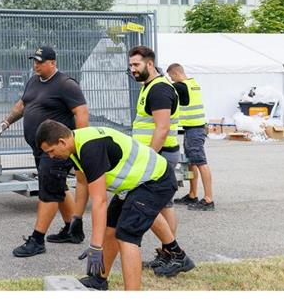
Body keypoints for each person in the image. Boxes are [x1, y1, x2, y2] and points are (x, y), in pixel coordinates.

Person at [36, 120, 195, 290]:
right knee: (110, 229)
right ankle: (99, 280)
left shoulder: (90, 148)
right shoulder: (75, 145)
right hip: (134, 185)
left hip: (156, 180)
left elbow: (99, 201)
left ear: (61, 141)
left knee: (126, 234)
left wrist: (95, 247)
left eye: (51, 151)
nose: (51, 156)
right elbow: (82, 183)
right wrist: (77, 217)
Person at [0, 46, 90, 257]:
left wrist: (81, 144)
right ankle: (72, 230)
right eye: (34, 60)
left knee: (48, 192)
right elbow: (22, 104)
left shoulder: (66, 84)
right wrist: (6, 122)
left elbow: (81, 113)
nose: (35, 64)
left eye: (40, 61)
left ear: (53, 62)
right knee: (57, 187)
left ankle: (37, 240)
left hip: (58, 149)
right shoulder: (34, 81)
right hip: (41, 148)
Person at [128, 45, 187, 274]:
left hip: (158, 156)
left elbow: (162, 129)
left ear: (149, 64)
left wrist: (148, 158)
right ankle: (167, 254)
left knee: (152, 206)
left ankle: (171, 254)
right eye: (131, 65)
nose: (132, 69)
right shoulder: (150, 86)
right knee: (164, 206)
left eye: (136, 65)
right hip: (156, 155)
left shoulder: (159, 90)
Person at [167, 63, 215, 211]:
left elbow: (164, 87)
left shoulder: (181, 86)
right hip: (194, 129)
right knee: (192, 162)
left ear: (175, 74)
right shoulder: (192, 83)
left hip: (195, 130)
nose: (171, 79)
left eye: (171, 77)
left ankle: (208, 199)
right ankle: (192, 195)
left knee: (200, 161)